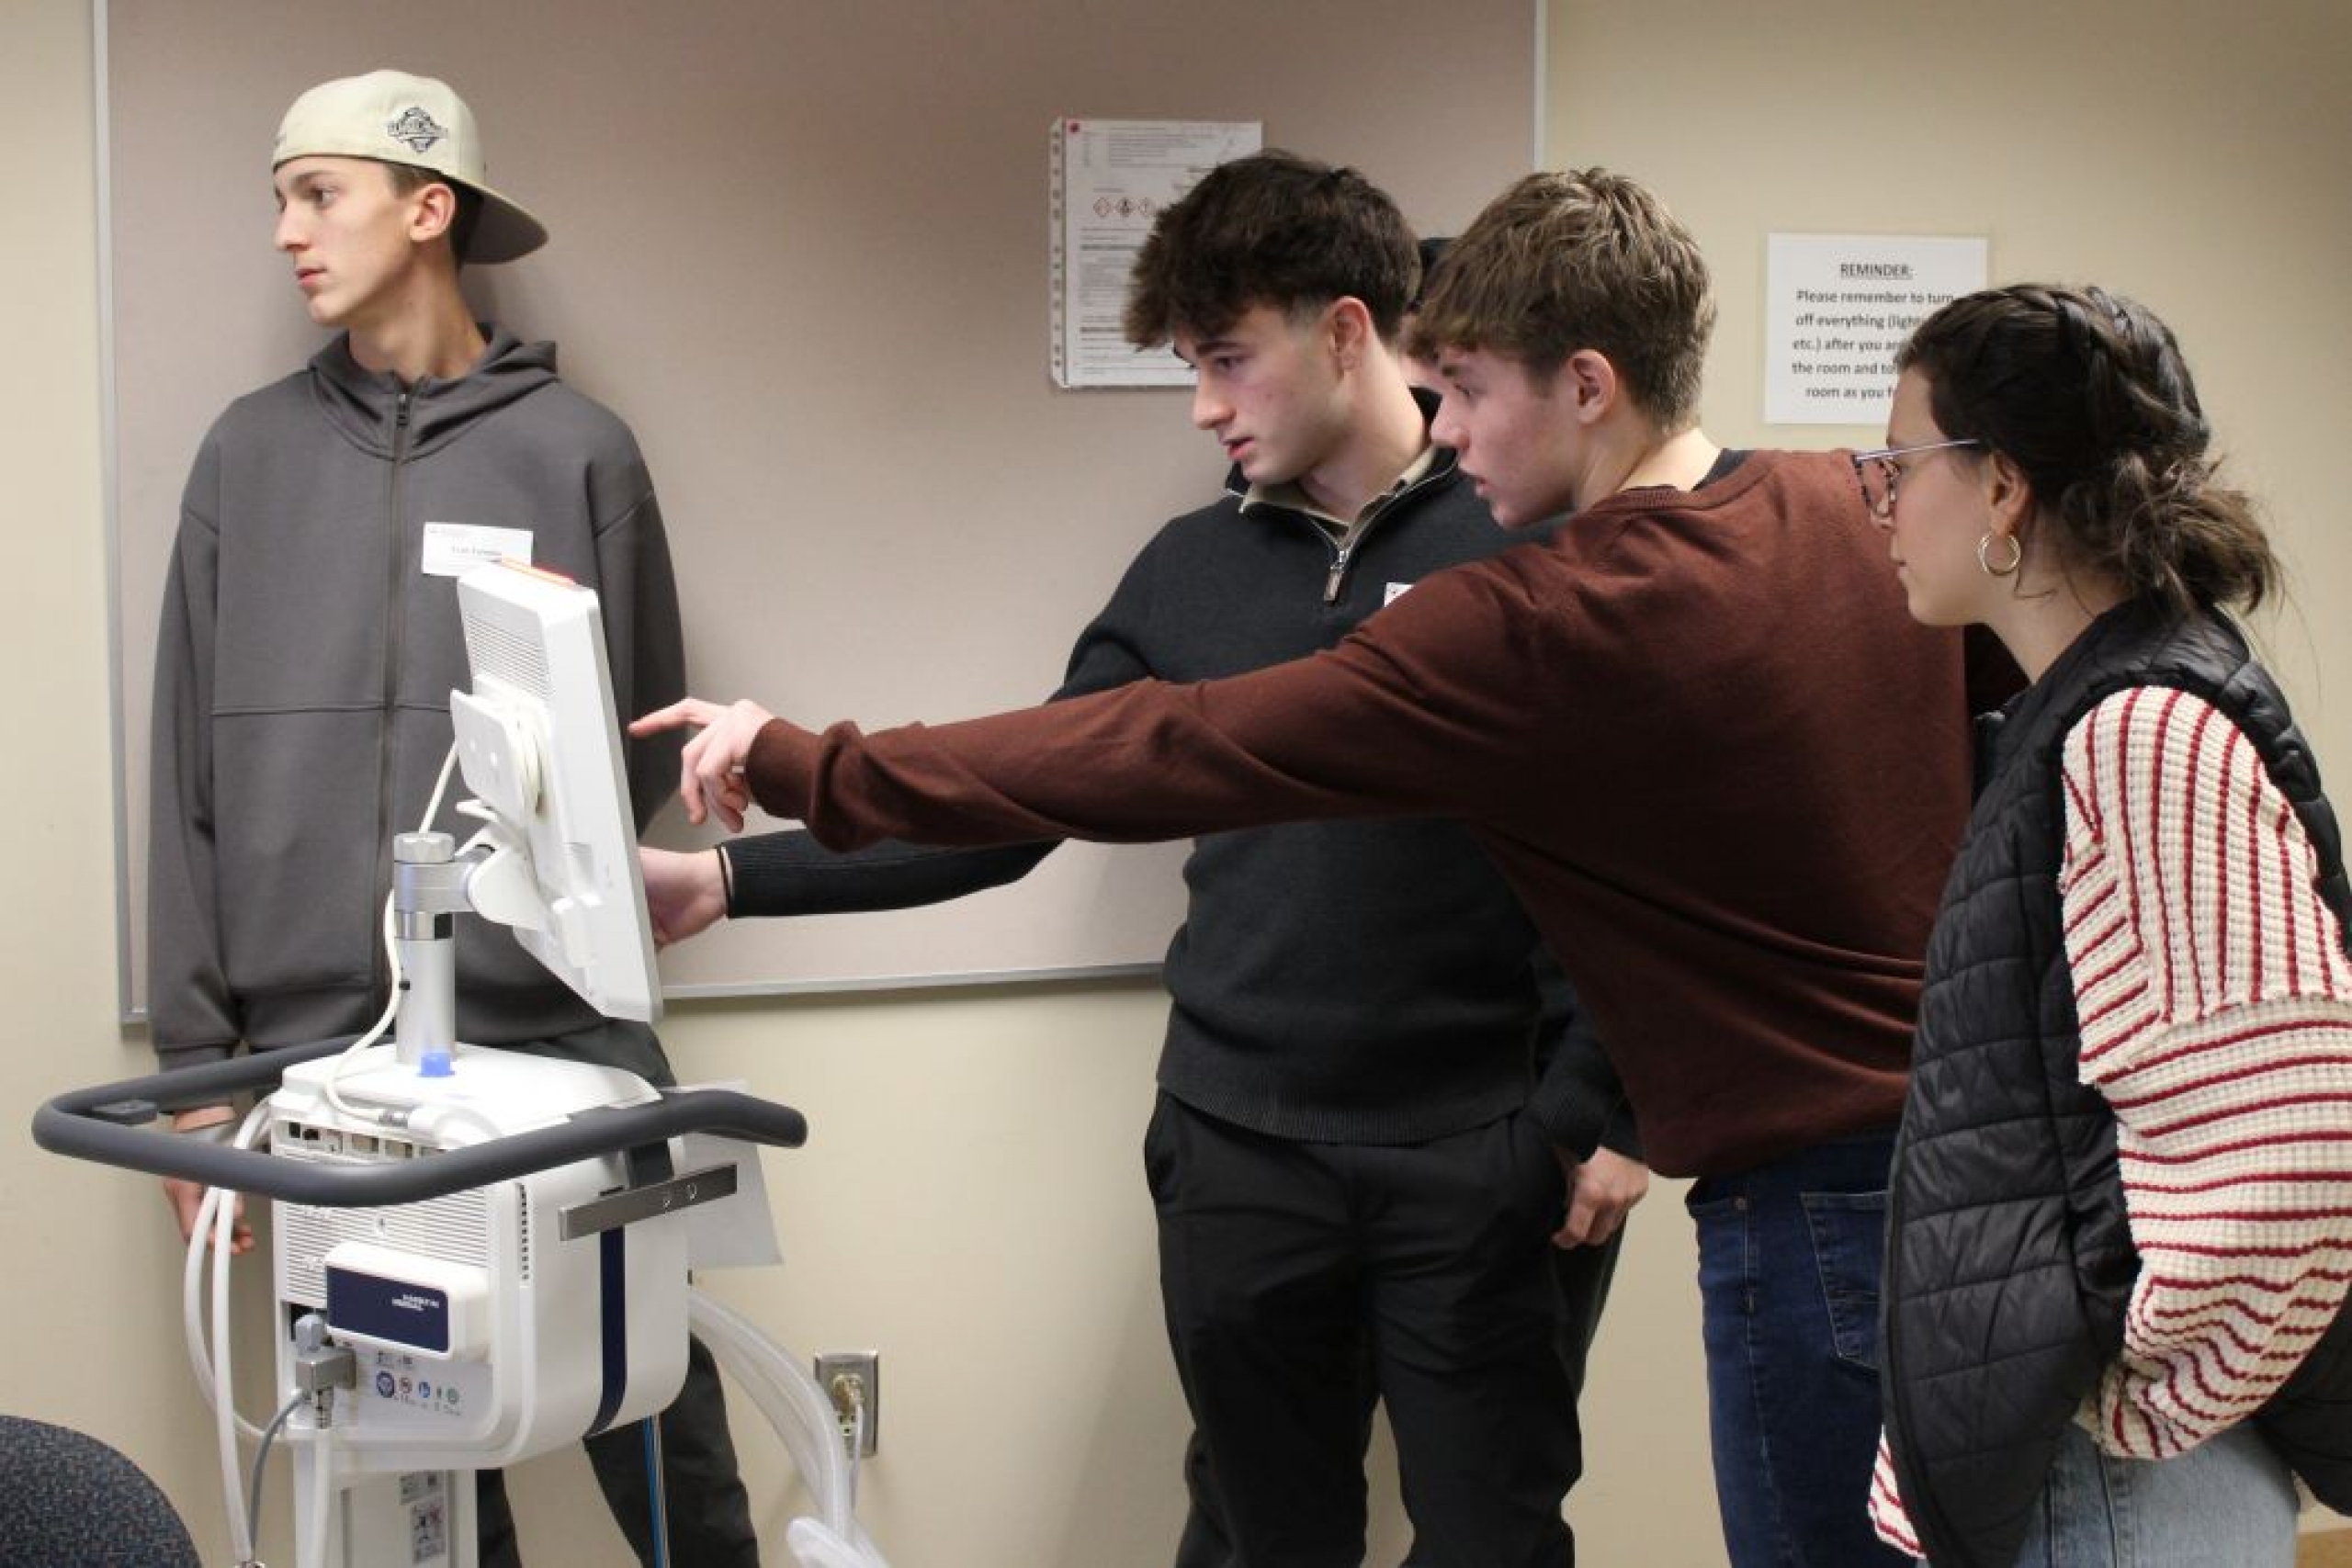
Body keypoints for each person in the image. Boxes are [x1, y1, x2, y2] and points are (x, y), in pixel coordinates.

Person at [638, 167, 2012, 1566]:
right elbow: (1060, 777)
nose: (1206, 406)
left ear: (1352, 334)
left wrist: (1592, 1115)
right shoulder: (1833, 508)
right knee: (1260, 1534)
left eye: (1229, 359)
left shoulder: (1546, 577)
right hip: (1261, 1142)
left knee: (1496, 1538)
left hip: (1500, 1149)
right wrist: (732, 880)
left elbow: (1635, 847)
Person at [146, 69, 754, 1567]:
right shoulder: (245, 455)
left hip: (554, 1034)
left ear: (429, 209)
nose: (287, 234)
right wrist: (196, 1080)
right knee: (416, 1472)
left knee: (656, 1416)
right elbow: (183, 774)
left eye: (318, 195)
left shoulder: (578, 450)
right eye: (281, 200)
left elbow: (629, 741)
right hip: (331, 1064)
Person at [1858, 285, 2352, 1566]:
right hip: (2102, 1481)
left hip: (2125, 1492)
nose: (1883, 504)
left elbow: (2297, 1152)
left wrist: (2141, 1398)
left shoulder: (2142, 731)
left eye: (1900, 464)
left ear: (2002, 487)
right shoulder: (2091, 714)